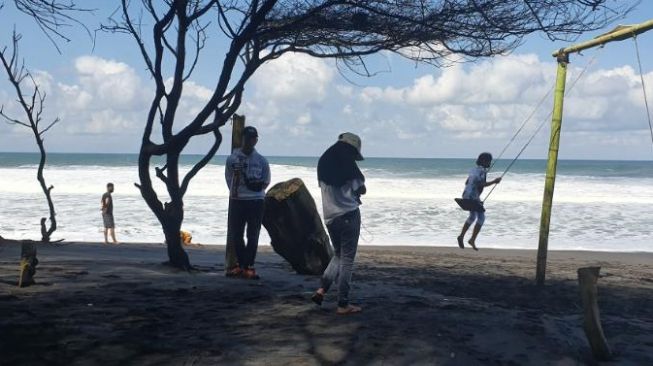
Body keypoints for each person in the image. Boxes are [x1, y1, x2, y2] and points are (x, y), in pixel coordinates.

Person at [312, 132, 366, 315]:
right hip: (349, 215)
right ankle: (343, 303)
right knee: (347, 260)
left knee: (339, 255)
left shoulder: (323, 162)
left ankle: (321, 290)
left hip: (330, 217)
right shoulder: (349, 166)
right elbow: (361, 189)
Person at [225, 126, 270, 280]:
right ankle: (240, 264)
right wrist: (236, 192)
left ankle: (248, 266)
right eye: (247, 138)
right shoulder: (232, 159)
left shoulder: (261, 160)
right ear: (242, 138)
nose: (250, 141)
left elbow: (266, 180)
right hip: (237, 200)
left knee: (253, 234)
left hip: (256, 201)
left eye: (253, 138)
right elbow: (228, 178)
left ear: (256, 140)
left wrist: (255, 188)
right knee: (236, 234)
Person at [457, 152, 501, 251]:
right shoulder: (482, 172)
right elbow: (481, 184)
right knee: (481, 218)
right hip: (473, 197)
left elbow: (467, 182)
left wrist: (477, 197)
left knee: (472, 216)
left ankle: (461, 236)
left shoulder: (473, 170)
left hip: (466, 195)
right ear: (484, 161)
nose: (490, 163)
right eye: (489, 161)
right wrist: (495, 181)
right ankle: (472, 239)